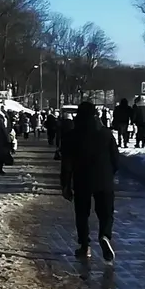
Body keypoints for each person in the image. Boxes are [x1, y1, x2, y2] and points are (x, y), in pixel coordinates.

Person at [60, 102, 119, 263]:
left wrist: (65, 184)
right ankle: (105, 235)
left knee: (82, 214)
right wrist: (110, 174)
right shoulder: (106, 134)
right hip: (104, 179)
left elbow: (66, 163)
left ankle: (85, 246)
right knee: (106, 213)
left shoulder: (71, 136)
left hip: (82, 180)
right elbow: (116, 159)